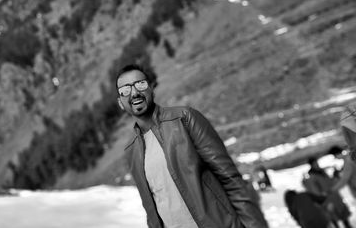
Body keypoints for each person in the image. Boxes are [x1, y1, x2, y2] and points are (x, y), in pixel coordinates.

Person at [116, 64, 268, 228]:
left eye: (140, 84)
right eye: (125, 90)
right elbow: (151, 208)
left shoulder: (184, 119)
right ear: (120, 102)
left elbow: (231, 180)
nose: (134, 93)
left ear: (151, 88)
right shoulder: (131, 150)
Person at [302, 157, 352, 228]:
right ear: (311, 165)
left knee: (344, 216)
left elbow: (330, 182)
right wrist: (324, 199)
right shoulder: (312, 176)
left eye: (317, 162)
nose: (317, 164)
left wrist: (335, 176)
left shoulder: (322, 172)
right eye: (314, 163)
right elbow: (316, 192)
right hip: (327, 201)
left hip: (335, 197)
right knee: (333, 219)